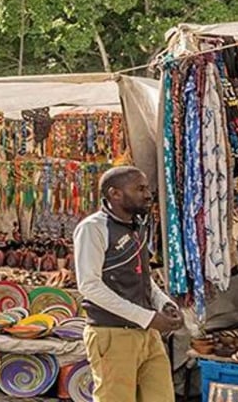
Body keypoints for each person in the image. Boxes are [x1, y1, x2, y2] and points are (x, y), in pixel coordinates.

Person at [73, 165, 183, 402]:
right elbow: (89, 286)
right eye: (140, 188)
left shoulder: (137, 227)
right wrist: (147, 317)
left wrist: (164, 304)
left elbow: (142, 276)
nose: (147, 194)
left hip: (146, 333)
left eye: (147, 188)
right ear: (115, 194)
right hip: (112, 334)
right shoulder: (93, 228)